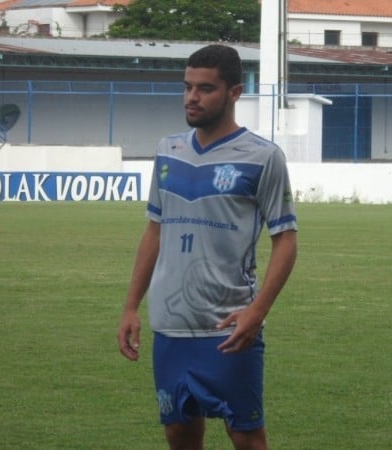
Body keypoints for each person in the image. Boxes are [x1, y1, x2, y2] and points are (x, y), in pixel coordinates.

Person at [117, 44, 298, 450]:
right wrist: (131, 306)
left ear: (234, 92)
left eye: (205, 89)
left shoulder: (263, 157)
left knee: (247, 435)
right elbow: (154, 232)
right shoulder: (168, 151)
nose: (191, 98)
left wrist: (258, 311)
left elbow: (286, 240)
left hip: (228, 326)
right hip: (169, 324)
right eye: (187, 87)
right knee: (179, 431)